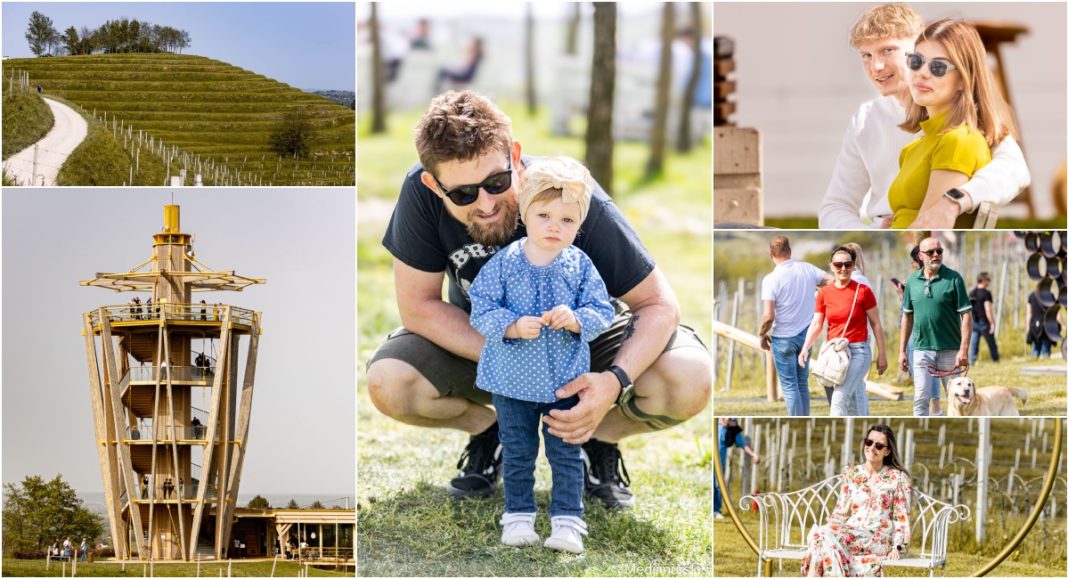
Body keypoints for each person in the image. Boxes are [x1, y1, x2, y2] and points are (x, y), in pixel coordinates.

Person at [365, 90, 711, 509]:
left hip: (582, 343)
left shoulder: (566, 192)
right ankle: (494, 432)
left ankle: (593, 436)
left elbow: (659, 304)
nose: (487, 203)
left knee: (689, 379)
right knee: (390, 384)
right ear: (433, 185)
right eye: (463, 195)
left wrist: (612, 382)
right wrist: (515, 360)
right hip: (489, 339)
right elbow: (418, 305)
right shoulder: (418, 195)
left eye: (496, 182)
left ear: (515, 155)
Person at [469, 156, 614, 553]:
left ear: (579, 224)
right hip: (511, 381)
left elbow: (603, 310)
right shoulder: (506, 263)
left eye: (567, 220)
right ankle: (518, 517)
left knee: (565, 453)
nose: (554, 226)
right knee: (518, 452)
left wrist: (576, 319)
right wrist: (512, 326)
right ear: (525, 215)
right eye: (545, 215)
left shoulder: (580, 265)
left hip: (563, 381)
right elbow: (480, 307)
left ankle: (568, 521)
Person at [819, 3, 1029, 229]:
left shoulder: (963, 127)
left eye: (888, 50)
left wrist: (954, 201)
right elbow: (835, 206)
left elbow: (1014, 170)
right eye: (866, 55)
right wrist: (873, 233)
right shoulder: (866, 119)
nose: (876, 66)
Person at [887, 18, 1019, 229]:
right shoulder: (916, 145)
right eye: (916, 61)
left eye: (938, 67)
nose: (922, 72)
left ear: (963, 80)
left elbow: (925, 231)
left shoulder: (959, 141)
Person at [802, 424, 911, 576]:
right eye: (869, 442)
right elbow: (840, 511)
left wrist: (897, 546)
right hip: (850, 533)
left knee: (819, 538)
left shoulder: (897, 478)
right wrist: (830, 529)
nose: (872, 448)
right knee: (821, 537)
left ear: (887, 451)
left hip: (876, 538)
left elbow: (901, 516)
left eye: (879, 445)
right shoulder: (852, 473)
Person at [799, 246, 889, 416]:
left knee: (839, 397)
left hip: (859, 352)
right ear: (831, 266)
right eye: (838, 265)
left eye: (847, 264)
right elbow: (817, 323)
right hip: (835, 352)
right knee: (854, 400)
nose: (843, 269)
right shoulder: (824, 293)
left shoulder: (863, 291)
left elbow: (876, 323)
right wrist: (805, 348)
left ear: (854, 266)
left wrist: (882, 355)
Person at [758, 235, 833, 416]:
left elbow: (768, 316)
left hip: (783, 339)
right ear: (790, 252)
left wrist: (761, 335)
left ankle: (795, 419)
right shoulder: (807, 269)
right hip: (805, 336)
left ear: (771, 254)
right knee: (801, 383)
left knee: (790, 386)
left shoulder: (770, 279)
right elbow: (832, 280)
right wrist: (818, 295)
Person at [899, 237, 971, 416]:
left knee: (958, 400)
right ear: (921, 256)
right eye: (930, 252)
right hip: (922, 350)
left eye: (939, 251)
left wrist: (964, 349)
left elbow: (966, 314)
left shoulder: (954, 279)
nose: (936, 255)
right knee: (921, 397)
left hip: (951, 350)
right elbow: (907, 316)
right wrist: (902, 351)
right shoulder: (912, 282)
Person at [713, 418, 760, 520]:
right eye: (728, 419)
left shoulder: (732, 430)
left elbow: (743, 445)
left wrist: (754, 455)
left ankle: (716, 510)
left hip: (720, 463)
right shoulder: (714, 425)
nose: (730, 422)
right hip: (710, 461)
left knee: (718, 486)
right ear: (722, 419)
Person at [968, 272, 1000, 364]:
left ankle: (971, 361)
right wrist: (992, 323)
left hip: (974, 322)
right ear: (983, 280)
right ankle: (996, 360)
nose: (989, 281)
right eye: (988, 279)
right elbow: (988, 309)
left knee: (974, 344)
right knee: (992, 344)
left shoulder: (972, 292)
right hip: (984, 323)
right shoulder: (986, 293)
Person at [1026, 283, 1058, 358]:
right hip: (1046, 326)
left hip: (1034, 326)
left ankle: (1033, 365)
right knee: (1045, 350)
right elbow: (1055, 312)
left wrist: (1027, 327)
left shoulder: (1031, 296)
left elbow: (1029, 313)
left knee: (1035, 349)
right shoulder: (1050, 296)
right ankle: (1045, 364)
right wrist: (1062, 325)